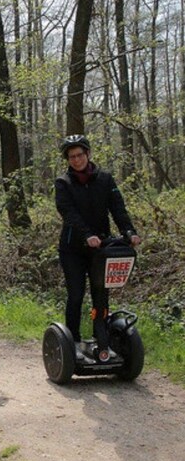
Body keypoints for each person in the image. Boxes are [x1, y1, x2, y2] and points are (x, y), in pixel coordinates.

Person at [55, 134, 141, 349]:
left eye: (80, 155)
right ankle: (72, 341)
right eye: (72, 157)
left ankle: (99, 337)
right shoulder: (63, 182)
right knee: (76, 294)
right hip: (72, 248)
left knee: (100, 295)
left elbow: (117, 208)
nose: (76, 160)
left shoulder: (105, 179)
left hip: (101, 248)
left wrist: (129, 231)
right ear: (67, 159)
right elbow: (68, 213)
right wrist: (86, 235)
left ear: (88, 154)